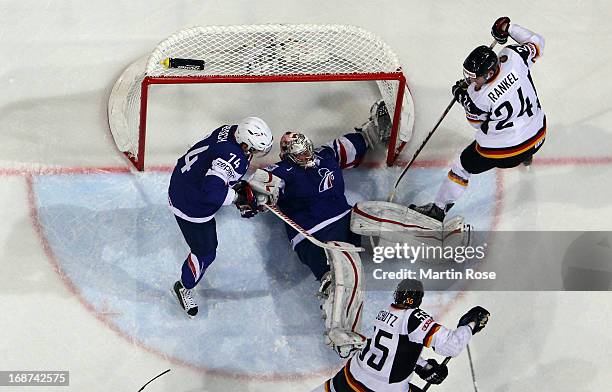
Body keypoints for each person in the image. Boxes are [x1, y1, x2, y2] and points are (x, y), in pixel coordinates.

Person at [244, 101, 392, 355]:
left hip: (348, 218)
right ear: (288, 156)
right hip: (317, 238)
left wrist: (375, 129)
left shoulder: (327, 154)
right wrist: (250, 196)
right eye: (299, 155)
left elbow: (359, 141)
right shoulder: (281, 171)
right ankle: (340, 331)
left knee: (378, 212)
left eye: (307, 151)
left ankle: (438, 235)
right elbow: (259, 186)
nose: (306, 157)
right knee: (348, 272)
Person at [411, 17, 546, 222]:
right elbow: (537, 42)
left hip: (506, 153)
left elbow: (476, 123)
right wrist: (509, 29)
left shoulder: (477, 96)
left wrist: (462, 97)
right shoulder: (515, 56)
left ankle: (438, 211)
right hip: (538, 137)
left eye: (475, 77)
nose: (471, 80)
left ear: (490, 72)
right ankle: (527, 157)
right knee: (523, 127)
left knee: (462, 166)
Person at [168, 117, 274, 318]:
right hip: (190, 205)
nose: (257, 154)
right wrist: (237, 197)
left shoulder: (229, 130)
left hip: (183, 180)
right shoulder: (233, 157)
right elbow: (211, 193)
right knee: (206, 253)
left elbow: (214, 160)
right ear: (244, 144)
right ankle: (183, 287)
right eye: (254, 149)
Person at [312, 279, 490, 392]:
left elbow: (392, 349)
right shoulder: (414, 317)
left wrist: (424, 366)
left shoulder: (385, 312)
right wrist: (469, 325)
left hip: (348, 378)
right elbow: (451, 346)